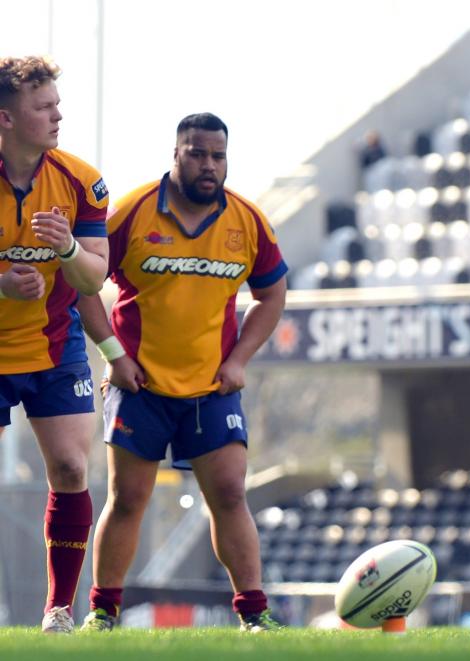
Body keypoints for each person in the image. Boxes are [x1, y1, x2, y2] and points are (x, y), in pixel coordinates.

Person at [77, 112, 288, 633]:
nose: (209, 165)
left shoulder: (248, 221)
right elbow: (83, 284)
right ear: (176, 154)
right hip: (140, 386)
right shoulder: (132, 212)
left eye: (218, 155)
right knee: (127, 500)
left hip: (211, 390)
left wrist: (239, 360)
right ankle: (103, 614)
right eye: (197, 153)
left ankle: (254, 616)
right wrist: (113, 355)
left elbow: (272, 294)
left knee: (231, 494)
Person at [0, 56, 109, 633]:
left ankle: (58, 611)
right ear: (7, 119)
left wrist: (67, 250)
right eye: (43, 108)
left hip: (55, 345)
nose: (57, 115)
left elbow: (95, 278)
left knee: (71, 467)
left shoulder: (81, 181)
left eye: (57, 104)